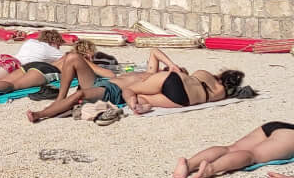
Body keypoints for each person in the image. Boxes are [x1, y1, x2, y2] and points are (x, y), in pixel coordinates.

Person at [25, 46, 251, 122]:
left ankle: (41, 114)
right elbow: (154, 52)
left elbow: (134, 93)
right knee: (73, 58)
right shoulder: (151, 72)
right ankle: (59, 99)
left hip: (111, 90)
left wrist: (171, 70)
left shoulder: (151, 78)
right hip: (106, 80)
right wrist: (172, 65)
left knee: (81, 95)